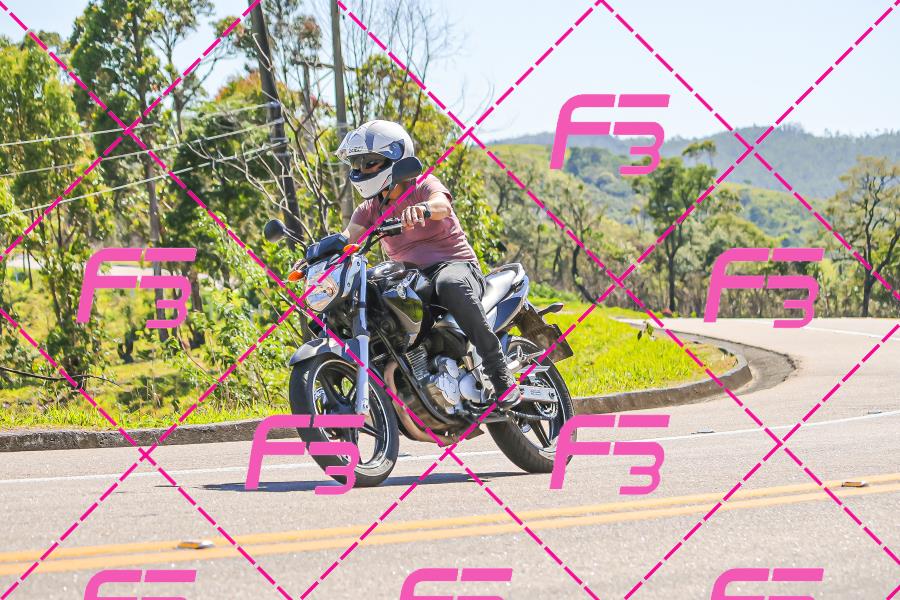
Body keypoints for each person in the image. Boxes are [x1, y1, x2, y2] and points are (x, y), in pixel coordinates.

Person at [335, 119, 519, 408]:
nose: (362, 170)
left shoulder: (422, 185)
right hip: (411, 279)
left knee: (450, 284)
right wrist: (318, 254)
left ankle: (499, 372)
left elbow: (441, 204)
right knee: (373, 305)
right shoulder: (369, 208)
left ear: (396, 159)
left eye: (369, 163)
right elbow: (349, 237)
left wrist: (422, 209)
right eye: (357, 164)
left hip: (454, 266)